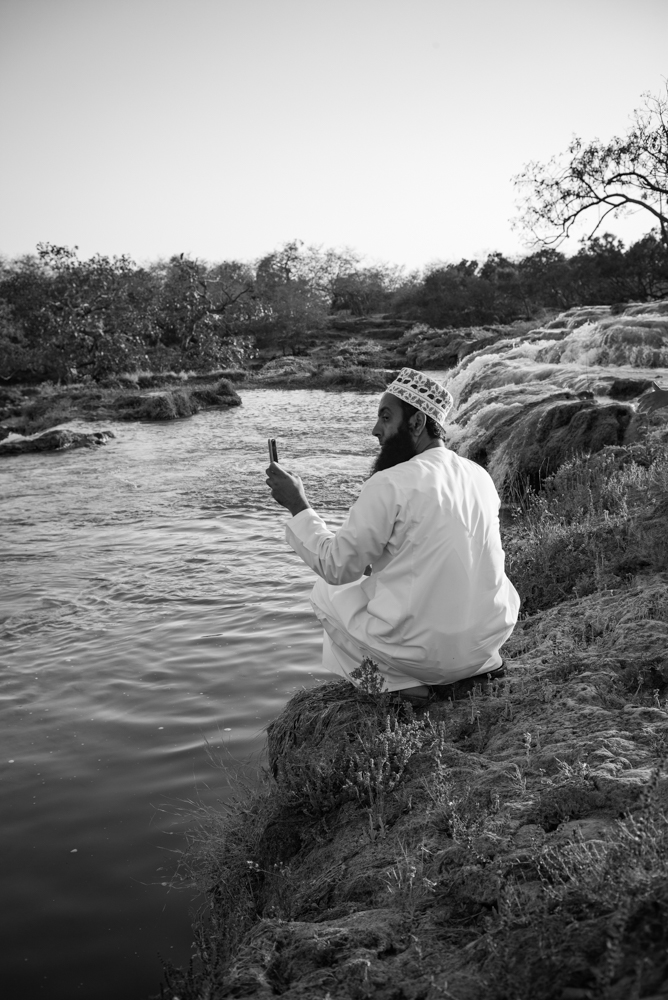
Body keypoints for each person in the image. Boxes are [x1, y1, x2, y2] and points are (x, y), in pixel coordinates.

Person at [265, 368, 520, 701]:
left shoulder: (390, 482)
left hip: (425, 657)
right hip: (484, 649)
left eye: (385, 418)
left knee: (325, 592)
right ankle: (470, 670)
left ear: (416, 423)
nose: (376, 430)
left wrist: (298, 505)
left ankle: (402, 685)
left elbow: (336, 566)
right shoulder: (479, 475)